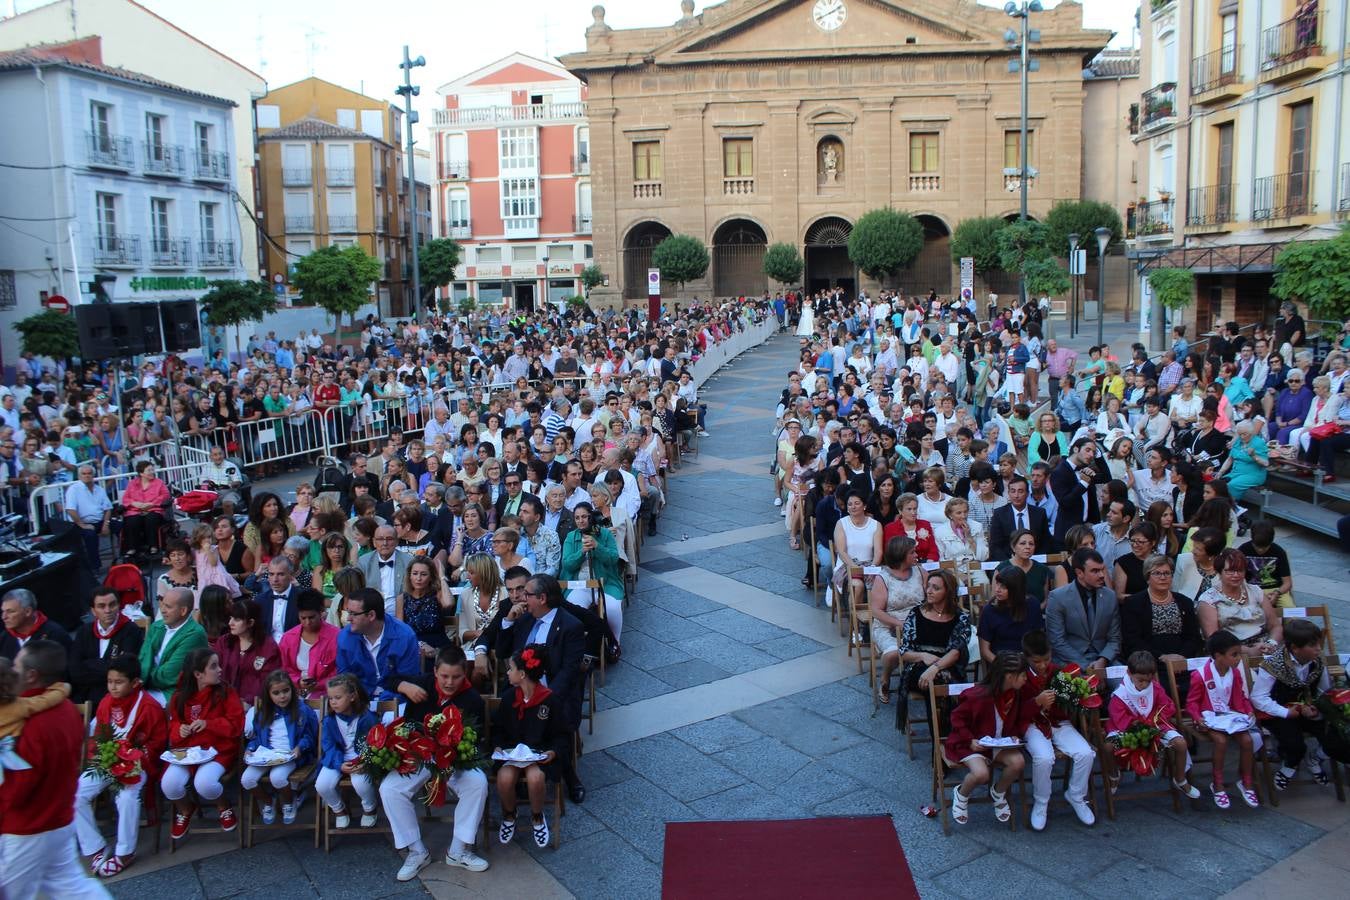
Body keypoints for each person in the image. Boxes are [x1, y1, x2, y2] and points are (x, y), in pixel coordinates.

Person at [0, 641, 112, 900]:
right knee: (72, 887)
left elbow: (18, 787)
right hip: (59, 820)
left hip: (27, 829)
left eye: (16, 665)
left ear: (31, 675)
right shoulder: (65, 710)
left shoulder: (30, 725)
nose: (12, 671)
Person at [385, 645, 490, 877]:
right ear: (435, 672)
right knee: (390, 788)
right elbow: (387, 679)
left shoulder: (472, 700)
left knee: (477, 783)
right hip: (419, 754)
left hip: (454, 760)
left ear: (465, 674)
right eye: (444, 676)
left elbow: (478, 742)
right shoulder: (421, 685)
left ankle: (459, 850)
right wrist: (404, 686)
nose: (449, 682)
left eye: (456, 677)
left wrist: (456, 755)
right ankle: (416, 850)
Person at [72, 655, 167, 878]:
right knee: (75, 793)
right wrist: (106, 755)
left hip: (137, 763)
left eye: (118, 682)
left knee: (126, 797)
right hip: (109, 759)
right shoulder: (106, 702)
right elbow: (99, 736)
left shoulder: (149, 707)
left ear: (135, 683)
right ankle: (95, 847)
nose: (112, 687)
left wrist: (132, 759)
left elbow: (157, 745)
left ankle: (125, 852)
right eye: (109, 681)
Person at [495, 574, 586, 803]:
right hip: (519, 691)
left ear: (542, 598)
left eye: (527, 594)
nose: (522, 598)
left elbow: (569, 671)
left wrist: (546, 698)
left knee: (554, 720)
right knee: (503, 714)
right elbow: (502, 651)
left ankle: (568, 775)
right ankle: (516, 770)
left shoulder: (570, 626)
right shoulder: (524, 619)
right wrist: (507, 622)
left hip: (555, 693)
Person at [163, 647, 246, 840]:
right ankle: (186, 808)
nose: (220, 670)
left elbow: (236, 725)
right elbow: (174, 723)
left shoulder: (225, 692)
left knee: (205, 783)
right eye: (214, 666)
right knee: (169, 784)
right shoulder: (179, 697)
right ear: (198, 674)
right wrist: (179, 729)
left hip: (217, 751)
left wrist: (209, 724)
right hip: (187, 750)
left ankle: (223, 805)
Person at [492, 644, 570, 849]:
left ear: (523, 674)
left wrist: (552, 752)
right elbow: (498, 728)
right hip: (512, 752)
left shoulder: (550, 700)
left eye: (511, 669)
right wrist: (499, 747)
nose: (508, 672)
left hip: (539, 754)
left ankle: (537, 816)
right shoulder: (509, 698)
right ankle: (510, 813)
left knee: (535, 778)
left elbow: (562, 734)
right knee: (504, 777)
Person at [1019, 630, 1097, 830]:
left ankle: (1076, 795)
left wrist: (1072, 697)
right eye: (1037, 661)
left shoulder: (1058, 672)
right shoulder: (1020, 676)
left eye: (1046, 659)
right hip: (1032, 724)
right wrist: (1036, 703)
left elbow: (1067, 707)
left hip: (1057, 722)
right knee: (1044, 758)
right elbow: (1015, 711)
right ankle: (1041, 801)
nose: (1043, 665)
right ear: (1027, 658)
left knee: (1086, 753)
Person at [943, 651, 1031, 827]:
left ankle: (998, 792)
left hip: (997, 742)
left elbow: (1018, 719)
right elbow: (956, 719)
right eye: (1022, 675)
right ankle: (961, 793)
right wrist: (969, 739)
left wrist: (1015, 735)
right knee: (981, 774)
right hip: (971, 743)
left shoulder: (1016, 693)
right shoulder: (978, 695)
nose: (1025, 679)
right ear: (1009, 676)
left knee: (1018, 762)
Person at [1106, 651, 1201, 799]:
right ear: (1129, 673)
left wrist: (1154, 722)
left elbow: (1167, 706)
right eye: (1140, 680)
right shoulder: (1120, 694)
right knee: (1108, 747)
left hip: (1155, 725)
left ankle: (1180, 778)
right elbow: (1119, 717)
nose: (1144, 685)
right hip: (1128, 728)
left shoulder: (1155, 688)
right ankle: (1113, 775)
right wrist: (1139, 725)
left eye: (1148, 681)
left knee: (1181, 744)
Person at [1251, 618, 1333, 790]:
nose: (1319, 649)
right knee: (1295, 744)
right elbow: (1259, 698)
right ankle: (1290, 764)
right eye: (1313, 645)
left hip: (1306, 710)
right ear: (1295, 648)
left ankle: (1315, 758)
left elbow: (1324, 691)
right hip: (1278, 712)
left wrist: (1316, 709)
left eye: (1319, 644)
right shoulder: (1273, 664)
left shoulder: (1318, 662)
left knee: (1334, 735)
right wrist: (1285, 712)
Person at [1185, 630, 1261, 810]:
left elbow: (1240, 698)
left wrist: (1248, 711)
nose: (1238, 659)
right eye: (1234, 655)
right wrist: (1197, 718)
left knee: (1248, 740)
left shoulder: (1234, 674)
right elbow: (1192, 702)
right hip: (1209, 717)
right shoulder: (1200, 675)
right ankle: (1218, 784)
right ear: (1218, 656)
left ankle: (1246, 781)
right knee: (1220, 741)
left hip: (1228, 715)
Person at [895, 569, 972, 731]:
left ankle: (942, 745)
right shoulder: (916, 613)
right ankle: (944, 744)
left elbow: (956, 652)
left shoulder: (961, 617)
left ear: (948, 591)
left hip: (946, 667)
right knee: (938, 682)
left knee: (938, 681)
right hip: (917, 669)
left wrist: (935, 668)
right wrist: (923, 656)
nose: (929, 591)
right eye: (928, 586)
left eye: (936, 588)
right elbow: (904, 652)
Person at [241, 670, 317, 827]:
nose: (282, 696)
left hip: (289, 754)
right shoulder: (264, 713)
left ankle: (289, 802)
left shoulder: (302, 710)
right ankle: (269, 801)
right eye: (276, 693)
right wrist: (250, 748)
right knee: (246, 779)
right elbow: (257, 737)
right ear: (269, 695)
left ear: (292, 689)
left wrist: (299, 747)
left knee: (277, 778)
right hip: (266, 753)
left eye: (286, 691)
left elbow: (310, 736)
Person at [314, 673, 380, 831]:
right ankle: (339, 810)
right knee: (322, 785)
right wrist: (339, 764)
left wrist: (366, 761)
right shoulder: (330, 720)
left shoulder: (366, 718)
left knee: (361, 784)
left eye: (337, 697)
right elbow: (328, 746)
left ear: (352, 697)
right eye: (330, 698)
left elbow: (375, 742)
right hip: (336, 759)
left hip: (360, 759)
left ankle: (370, 808)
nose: (333, 702)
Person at [868, 537, 926, 704]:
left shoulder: (920, 572)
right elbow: (876, 610)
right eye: (912, 552)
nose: (916, 555)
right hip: (888, 625)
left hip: (916, 623)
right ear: (901, 555)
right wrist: (899, 624)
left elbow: (930, 599)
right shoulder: (883, 578)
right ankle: (885, 679)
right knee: (894, 652)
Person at [336, 588, 420, 703]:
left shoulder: (405, 636)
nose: (348, 618)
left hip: (396, 699)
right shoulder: (345, 637)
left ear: (371, 615)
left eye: (353, 614)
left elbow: (409, 680)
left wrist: (383, 703)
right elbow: (344, 679)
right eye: (348, 612)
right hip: (359, 702)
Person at [559, 502, 624, 646]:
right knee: (572, 610)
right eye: (577, 518)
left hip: (604, 583)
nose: (580, 521)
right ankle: (579, 645)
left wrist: (597, 547)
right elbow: (567, 565)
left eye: (584, 517)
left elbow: (614, 558)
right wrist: (581, 552)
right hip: (579, 584)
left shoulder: (604, 533)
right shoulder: (571, 537)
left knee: (613, 608)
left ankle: (615, 643)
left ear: (591, 517)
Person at [1044, 549, 1120, 670]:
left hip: (1104, 660)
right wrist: (1086, 667)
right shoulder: (1058, 598)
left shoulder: (1110, 596)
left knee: (1127, 685)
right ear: (1079, 573)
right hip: (1070, 660)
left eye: (1102, 570)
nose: (1101, 575)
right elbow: (1057, 641)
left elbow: (1115, 638)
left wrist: (1103, 660)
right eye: (1095, 571)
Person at [1196, 548, 1280, 657]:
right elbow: (1214, 640)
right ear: (1219, 572)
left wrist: (1271, 644)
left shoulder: (1255, 591)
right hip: (1230, 653)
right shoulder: (1209, 600)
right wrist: (1249, 651)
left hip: (1264, 647)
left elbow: (1275, 625)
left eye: (1240, 570)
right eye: (1230, 571)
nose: (1236, 575)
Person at [69, 587, 145, 705]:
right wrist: (107, 665)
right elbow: (75, 671)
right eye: (101, 606)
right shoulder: (84, 632)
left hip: (117, 697)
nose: (108, 610)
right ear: (93, 611)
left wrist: (89, 664)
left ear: (119, 605)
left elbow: (124, 671)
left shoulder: (131, 631)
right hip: (85, 695)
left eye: (112, 605)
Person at [138, 588, 208, 705]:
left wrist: (142, 678)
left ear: (183, 611)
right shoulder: (156, 627)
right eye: (162, 605)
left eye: (168, 607)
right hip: (145, 686)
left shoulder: (195, 633)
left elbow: (169, 675)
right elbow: (142, 659)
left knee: (136, 708)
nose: (162, 610)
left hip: (173, 693)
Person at [213, 599, 281, 707]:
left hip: (255, 706)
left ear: (251, 622)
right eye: (230, 617)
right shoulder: (223, 642)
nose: (230, 623)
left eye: (237, 619)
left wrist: (248, 702)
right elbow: (214, 672)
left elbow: (268, 681)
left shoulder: (268, 647)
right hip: (222, 702)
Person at [279, 590, 339, 701]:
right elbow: (283, 669)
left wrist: (318, 684)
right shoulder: (288, 638)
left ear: (321, 612)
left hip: (328, 693)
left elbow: (339, 671)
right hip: (293, 692)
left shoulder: (336, 636)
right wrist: (297, 681)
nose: (307, 622)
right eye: (303, 618)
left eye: (311, 617)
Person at [978, 565, 1044, 663]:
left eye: (1003, 587)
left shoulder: (1033, 604)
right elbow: (985, 651)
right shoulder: (989, 610)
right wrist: (1003, 666)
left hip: (1028, 660)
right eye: (997, 584)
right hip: (1001, 661)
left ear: (1016, 589)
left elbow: (1039, 639)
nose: (997, 590)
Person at [987, 476, 1050, 561]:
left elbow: (1046, 542)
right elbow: (995, 546)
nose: (1016, 495)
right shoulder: (999, 514)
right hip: (1008, 564)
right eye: (1013, 491)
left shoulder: (1039, 513)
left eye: (1020, 491)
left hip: (1035, 561)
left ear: (1027, 493)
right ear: (1008, 493)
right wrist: (1010, 563)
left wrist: (1035, 562)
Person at [64, 465, 113, 575]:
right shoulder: (73, 489)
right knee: (90, 535)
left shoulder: (99, 489)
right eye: (84, 474)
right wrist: (81, 524)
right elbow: (70, 510)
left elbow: (108, 508)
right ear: (79, 476)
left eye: (89, 473)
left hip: (100, 521)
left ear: (93, 475)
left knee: (122, 525)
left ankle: (125, 557)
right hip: (81, 523)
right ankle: (95, 567)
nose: (87, 476)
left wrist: (106, 524)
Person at [0, 588, 71, 660]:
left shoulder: (55, 635)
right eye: (3, 611)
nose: (3, 617)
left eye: (10, 611)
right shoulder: (4, 638)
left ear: (28, 611)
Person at [1237, 520, 1295, 609]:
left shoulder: (1279, 552)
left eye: (1265, 547)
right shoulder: (1243, 550)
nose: (1260, 550)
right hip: (1250, 589)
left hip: (1275, 589)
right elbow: (1236, 578)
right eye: (1257, 546)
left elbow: (1287, 583)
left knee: (1292, 612)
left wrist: (1277, 593)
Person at [120, 461, 170, 557]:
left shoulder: (159, 482)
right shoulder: (132, 483)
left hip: (153, 509)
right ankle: (132, 548)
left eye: (152, 469)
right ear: (141, 473)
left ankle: (153, 546)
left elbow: (165, 495)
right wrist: (134, 503)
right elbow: (126, 498)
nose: (152, 472)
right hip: (135, 510)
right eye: (149, 470)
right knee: (131, 521)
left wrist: (151, 504)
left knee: (151, 519)